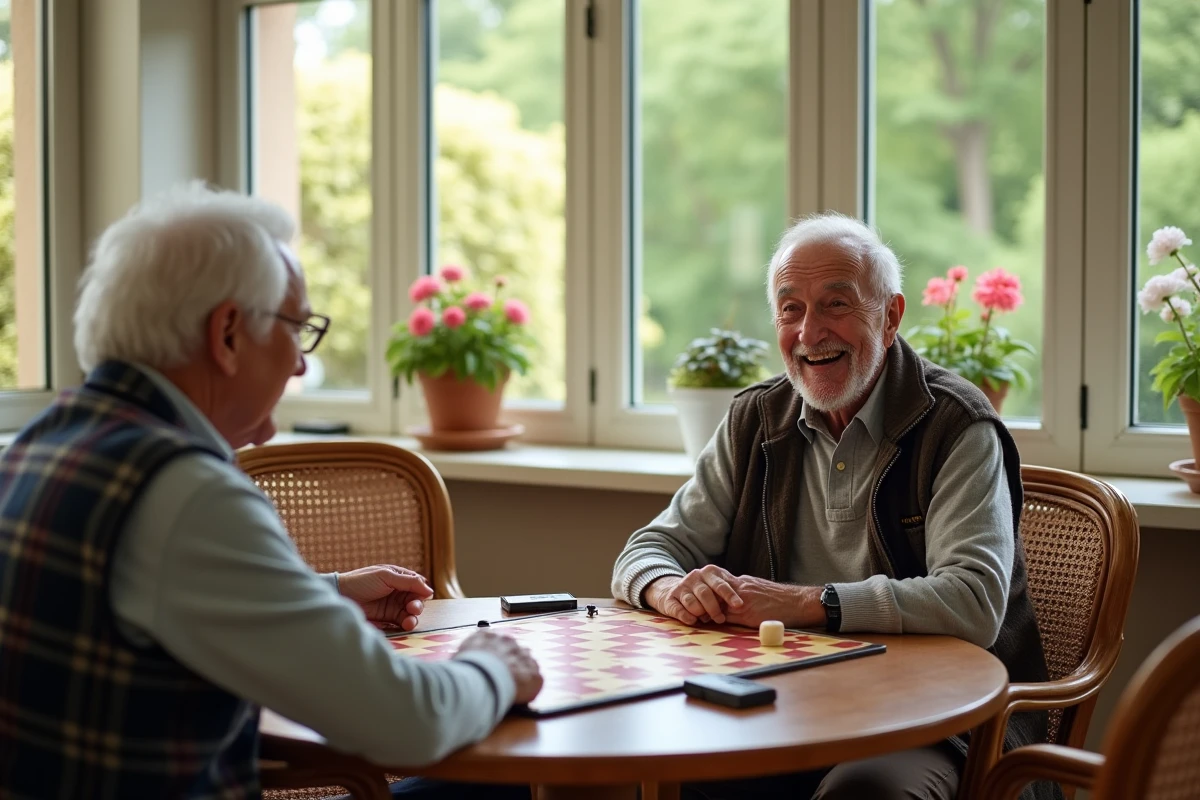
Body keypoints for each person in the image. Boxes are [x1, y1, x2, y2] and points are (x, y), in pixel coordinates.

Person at [0, 182, 539, 799]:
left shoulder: (40, 444)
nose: (301, 365)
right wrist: (493, 668)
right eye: (297, 329)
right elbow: (407, 722)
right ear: (228, 333)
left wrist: (324, 593)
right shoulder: (187, 491)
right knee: (507, 786)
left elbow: (146, 596)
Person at [611, 212, 1056, 800]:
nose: (809, 332)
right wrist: (668, 587)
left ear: (891, 316)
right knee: (674, 769)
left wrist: (807, 604)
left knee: (865, 794)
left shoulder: (955, 424)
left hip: (937, 723)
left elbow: (973, 600)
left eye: (836, 305)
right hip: (784, 705)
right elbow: (645, 550)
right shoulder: (756, 419)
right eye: (790, 308)